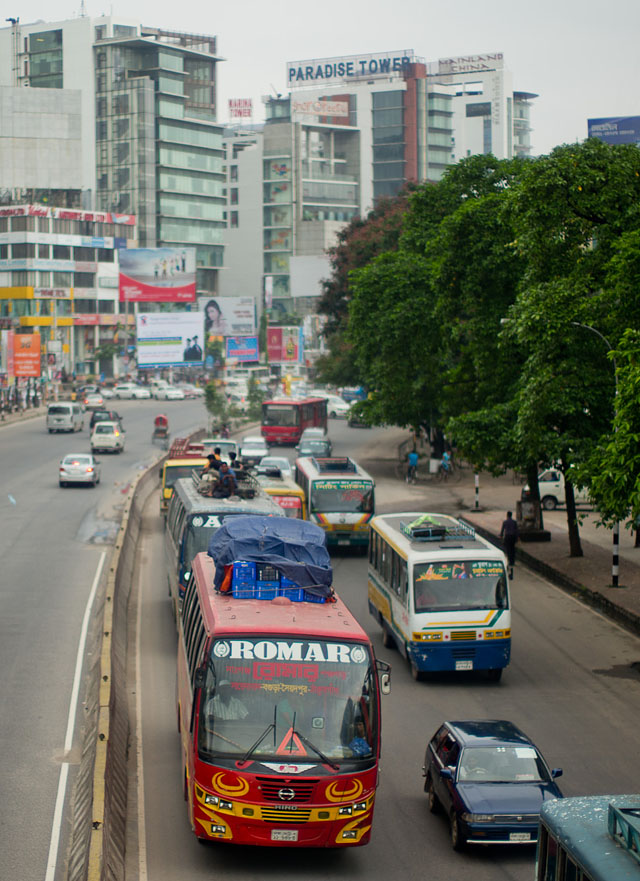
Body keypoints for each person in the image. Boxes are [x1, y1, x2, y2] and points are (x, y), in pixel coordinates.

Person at [500, 510, 519, 578]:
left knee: (508, 549)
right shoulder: (514, 522)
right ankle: (512, 561)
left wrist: (501, 536)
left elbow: (502, 530)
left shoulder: (505, 522)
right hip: (513, 537)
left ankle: (508, 560)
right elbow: (516, 530)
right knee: (512, 549)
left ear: (507, 515)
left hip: (507, 537)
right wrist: (517, 538)